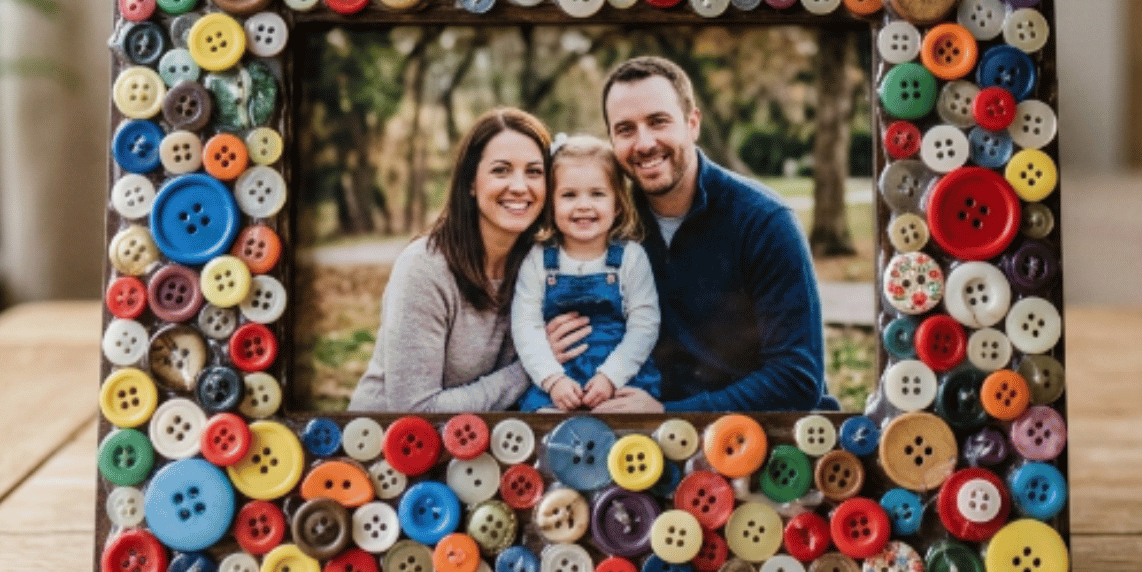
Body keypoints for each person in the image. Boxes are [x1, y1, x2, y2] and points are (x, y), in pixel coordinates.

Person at [550, 56, 828, 412]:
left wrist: (670, 415)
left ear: (692, 123)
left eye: (658, 122)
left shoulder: (764, 222)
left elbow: (797, 378)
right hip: (629, 439)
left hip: (750, 436)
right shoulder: (602, 224)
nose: (644, 143)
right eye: (625, 129)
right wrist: (545, 349)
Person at [347, 108, 549, 412]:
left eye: (534, 172)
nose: (520, 186)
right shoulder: (424, 268)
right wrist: (533, 367)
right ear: (470, 182)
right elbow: (415, 411)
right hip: (387, 444)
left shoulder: (540, 266)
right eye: (501, 170)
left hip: (481, 446)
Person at [509, 134, 662, 412]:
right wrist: (552, 379)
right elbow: (525, 325)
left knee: (625, 430)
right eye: (569, 195)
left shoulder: (630, 257)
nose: (583, 205)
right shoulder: (539, 260)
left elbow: (645, 323)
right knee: (542, 424)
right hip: (559, 375)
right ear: (550, 205)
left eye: (597, 194)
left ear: (617, 204)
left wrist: (610, 377)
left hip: (619, 374)